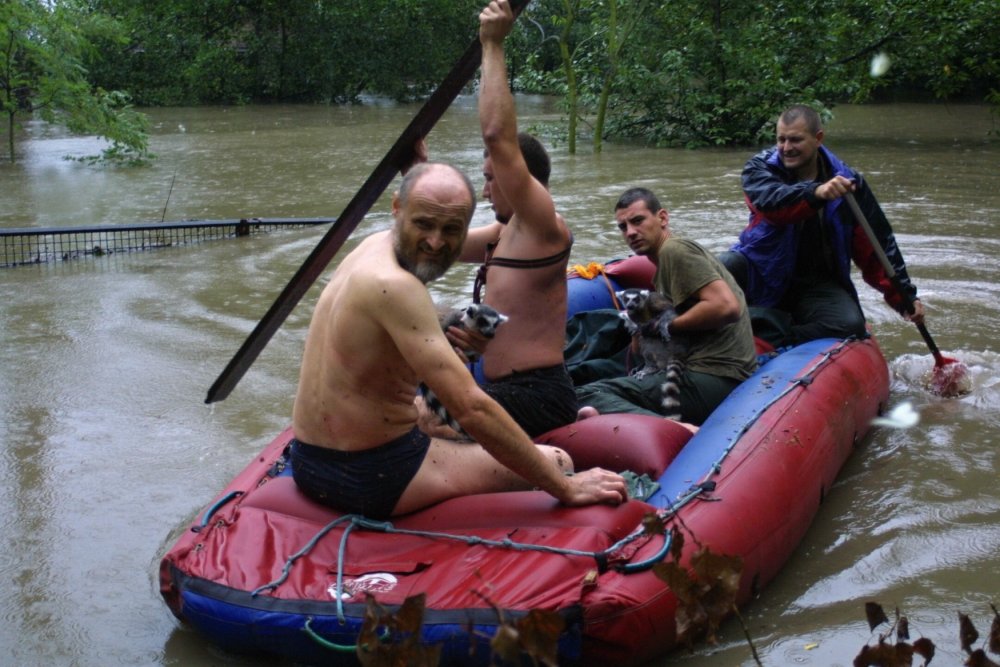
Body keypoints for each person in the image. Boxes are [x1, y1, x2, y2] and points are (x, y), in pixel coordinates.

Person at [289, 162, 626, 520]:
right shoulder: (398, 287)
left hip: (308, 461)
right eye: (424, 224)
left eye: (451, 230)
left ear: (466, 228)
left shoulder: (370, 249)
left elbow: (388, 332)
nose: (436, 242)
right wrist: (566, 487)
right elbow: (472, 408)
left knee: (428, 414)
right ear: (397, 208)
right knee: (558, 461)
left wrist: (450, 334)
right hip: (371, 477)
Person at [425, 0, 577, 438]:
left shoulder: (544, 226)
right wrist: (414, 171)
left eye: (493, 179)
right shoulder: (503, 233)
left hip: (538, 395)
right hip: (501, 386)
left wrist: (492, 44)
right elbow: (436, 247)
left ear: (522, 180)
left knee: (424, 423)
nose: (485, 190)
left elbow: (497, 135)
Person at [719, 104, 924, 347]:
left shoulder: (850, 182)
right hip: (760, 268)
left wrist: (904, 297)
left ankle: (771, 330)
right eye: (781, 140)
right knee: (719, 267)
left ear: (818, 139)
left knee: (851, 326)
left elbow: (876, 244)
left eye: (795, 140)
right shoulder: (759, 168)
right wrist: (816, 192)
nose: (786, 148)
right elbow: (772, 205)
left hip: (815, 282)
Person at [574, 188, 758, 426]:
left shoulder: (675, 251)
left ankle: (677, 429)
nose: (630, 232)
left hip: (716, 376)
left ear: (662, 218)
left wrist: (665, 325)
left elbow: (725, 307)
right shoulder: (663, 267)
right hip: (710, 372)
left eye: (638, 221)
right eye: (623, 227)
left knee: (586, 395)